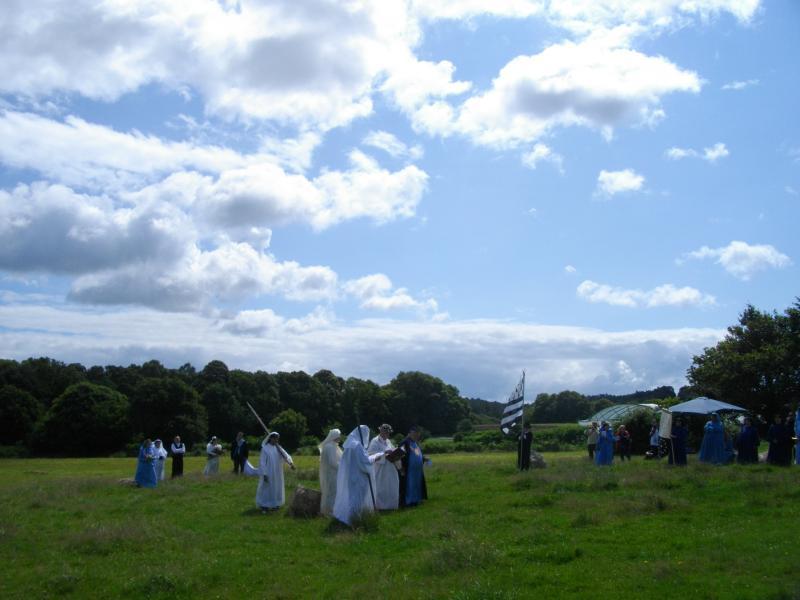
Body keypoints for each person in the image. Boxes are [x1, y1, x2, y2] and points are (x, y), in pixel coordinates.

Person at [333, 426, 384, 525]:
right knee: (358, 498)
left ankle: (353, 516)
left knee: (353, 497)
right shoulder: (357, 446)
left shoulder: (350, 445)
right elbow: (365, 462)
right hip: (359, 476)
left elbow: (360, 460)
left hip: (351, 476)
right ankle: (354, 519)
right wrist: (376, 457)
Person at [256, 432, 295, 512]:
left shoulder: (278, 448)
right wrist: (264, 474)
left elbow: (286, 455)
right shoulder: (265, 448)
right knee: (267, 488)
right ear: (270, 438)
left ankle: (275, 504)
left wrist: (290, 463)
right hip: (268, 472)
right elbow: (262, 462)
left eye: (277, 438)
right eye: (275, 438)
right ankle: (265, 505)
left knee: (277, 487)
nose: (276, 440)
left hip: (277, 472)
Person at [368, 424, 400, 510]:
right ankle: (380, 507)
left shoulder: (388, 441)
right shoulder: (374, 441)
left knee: (391, 486)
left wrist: (396, 452)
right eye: (386, 432)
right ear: (381, 432)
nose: (388, 434)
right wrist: (385, 453)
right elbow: (371, 455)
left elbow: (392, 450)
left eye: (389, 433)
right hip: (380, 469)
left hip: (390, 467)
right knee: (381, 488)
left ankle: (391, 506)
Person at [399, 426, 428, 507]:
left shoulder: (415, 443)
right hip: (409, 470)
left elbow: (417, 454)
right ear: (410, 433)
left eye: (417, 435)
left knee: (417, 485)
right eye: (415, 434)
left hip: (417, 471)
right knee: (409, 486)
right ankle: (409, 502)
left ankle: (416, 500)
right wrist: (401, 467)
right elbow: (399, 455)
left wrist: (423, 458)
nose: (416, 436)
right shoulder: (404, 443)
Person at [318, 428, 342, 516]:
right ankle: (329, 511)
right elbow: (332, 462)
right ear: (334, 436)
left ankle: (333, 509)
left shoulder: (335, 446)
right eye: (338, 436)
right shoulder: (329, 447)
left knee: (334, 492)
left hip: (335, 473)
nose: (340, 438)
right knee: (331, 492)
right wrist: (342, 467)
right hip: (331, 474)